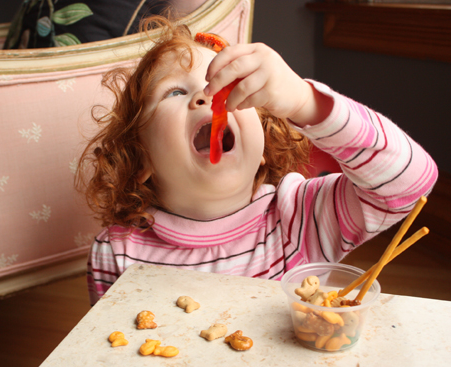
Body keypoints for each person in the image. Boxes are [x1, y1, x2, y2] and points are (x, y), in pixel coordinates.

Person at [75, 17, 438, 305]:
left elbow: (413, 182)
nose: (207, 96)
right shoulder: (117, 252)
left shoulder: (299, 218)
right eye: (175, 91)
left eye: (227, 87)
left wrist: (303, 101)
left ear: (264, 143)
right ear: (141, 159)